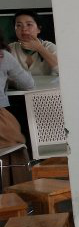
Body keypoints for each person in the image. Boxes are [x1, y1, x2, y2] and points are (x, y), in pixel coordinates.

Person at [0, 36, 34, 184]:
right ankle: (16, 193)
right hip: (1, 121)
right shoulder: (3, 56)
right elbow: (28, 84)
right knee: (16, 148)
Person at [10, 10, 59, 76]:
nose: (24, 29)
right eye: (19, 25)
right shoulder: (10, 48)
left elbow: (64, 71)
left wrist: (40, 48)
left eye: (29, 24)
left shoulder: (49, 46)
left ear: (38, 29)